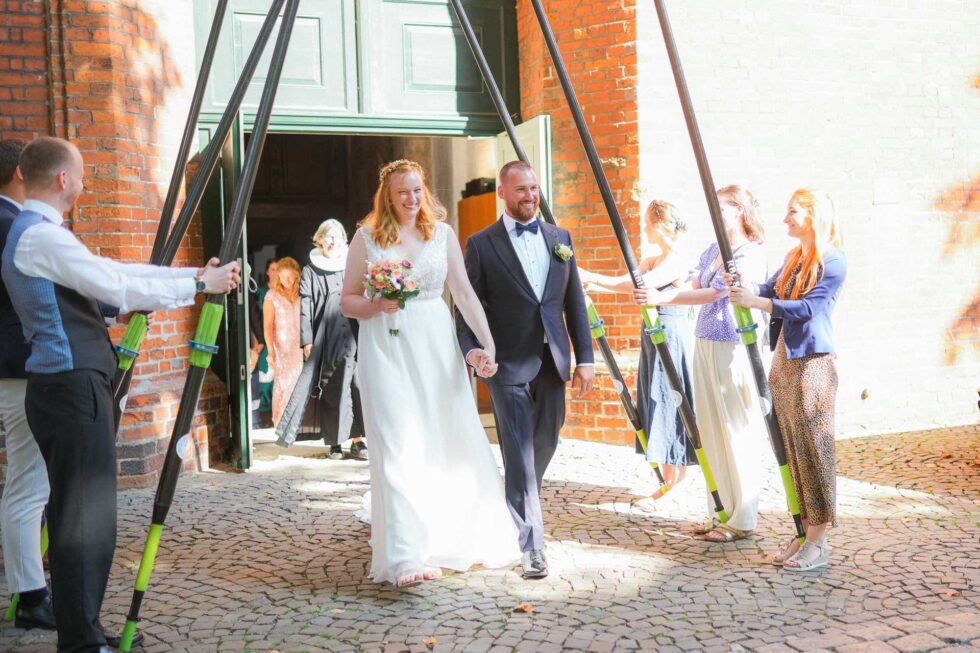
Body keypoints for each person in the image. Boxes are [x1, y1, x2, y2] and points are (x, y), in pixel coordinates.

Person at [2, 136, 240, 653]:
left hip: (66, 389)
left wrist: (195, 276)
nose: (85, 183)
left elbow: (121, 276)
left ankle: (80, 632)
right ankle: (82, 644)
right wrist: (199, 285)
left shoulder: (40, 233)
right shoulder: (41, 237)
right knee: (85, 524)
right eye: (82, 174)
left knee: (75, 520)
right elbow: (117, 285)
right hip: (69, 389)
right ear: (63, 179)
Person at [341, 159, 519, 588]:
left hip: (436, 345)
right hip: (385, 347)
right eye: (403, 192)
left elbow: (462, 291)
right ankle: (405, 555)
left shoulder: (441, 234)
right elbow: (347, 300)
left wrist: (486, 341)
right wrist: (375, 305)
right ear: (387, 195)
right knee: (397, 442)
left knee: (445, 435)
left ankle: (446, 537)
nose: (411, 198)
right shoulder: (366, 239)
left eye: (417, 190)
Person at [457, 161, 595, 579]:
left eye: (534, 189)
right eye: (520, 190)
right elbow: (465, 309)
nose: (530, 196)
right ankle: (532, 545)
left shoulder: (560, 237)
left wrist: (585, 358)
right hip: (506, 364)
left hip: (553, 361)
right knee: (518, 454)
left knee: (545, 442)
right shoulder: (481, 244)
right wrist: (472, 353)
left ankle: (518, 498)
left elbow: (574, 303)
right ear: (502, 192)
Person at [637, 185, 768, 543]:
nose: (715, 213)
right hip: (705, 341)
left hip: (734, 346)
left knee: (734, 429)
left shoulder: (748, 253)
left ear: (740, 211)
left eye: (721, 208)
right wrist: (658, 288)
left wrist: (664, 296)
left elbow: (714, 293)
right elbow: (695, 281)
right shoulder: (713, 250)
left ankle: (742, 517)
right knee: (711, 429)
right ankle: (719, 510)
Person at [728, 188, 846, 571]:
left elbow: (809, 308)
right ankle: (802, 531)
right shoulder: (793, 257)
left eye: (793, 212)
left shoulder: (833, 260)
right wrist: (747, 287)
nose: (785, 219)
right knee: (791, 449)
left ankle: (819, 539)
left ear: (814, 214)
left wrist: (757, 303)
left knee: (814, 448)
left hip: (813, 364)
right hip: (784, 361)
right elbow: (770, 290)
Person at [579, 200, 697, 501]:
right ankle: (666, 479)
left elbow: (643, 284)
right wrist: (592, 285)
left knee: (670, 397)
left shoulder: (678, 260)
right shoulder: (653, 258)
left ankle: (675, 481)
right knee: (653, 397)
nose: (644, 228)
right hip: (651, 334)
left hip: (670, 335)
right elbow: (627, 285)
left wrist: (590, 275)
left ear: (660, 224)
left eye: (647, 222)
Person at [0, 138, 55, 631]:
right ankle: (31, 596)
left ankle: (31, 584)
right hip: (20, 366)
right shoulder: (12, 225)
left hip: (17, 365)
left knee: (30, 480)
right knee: (28, 484)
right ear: (21, 172)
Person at [276, 219, 366, 460]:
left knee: (357, 385)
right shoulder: (310, 270)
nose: (331, 241)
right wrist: (307, 340)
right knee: (333, 387)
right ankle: (335, 443)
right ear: (319, 239)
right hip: (326, 338)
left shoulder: (351, 265)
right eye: (327, 236)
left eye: (336, 236)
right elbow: (305, 307)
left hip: (354, 335)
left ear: (343, 240)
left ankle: (359, 441)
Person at [263, 256, 303, 427]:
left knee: (299, 384)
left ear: (297, 275)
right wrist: (271, 352)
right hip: (282, 348)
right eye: (283, 277)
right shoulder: (272, 296)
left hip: (301, 347)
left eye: (290, 276)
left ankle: (296, 423)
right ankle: (282, 423)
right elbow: (267, 326)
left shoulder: (304, 293)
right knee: (284, 385)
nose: (287, 280)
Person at [256, 259, 278, 426]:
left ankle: (277, 416)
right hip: (265, 338)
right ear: (267, 272)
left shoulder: (285, 291)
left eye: (278, 269)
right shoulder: (261, 291)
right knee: (266, 376)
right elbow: (254, 318)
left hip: (282, 339)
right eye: (272, 269)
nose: (276, 272)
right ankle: (264, 416)